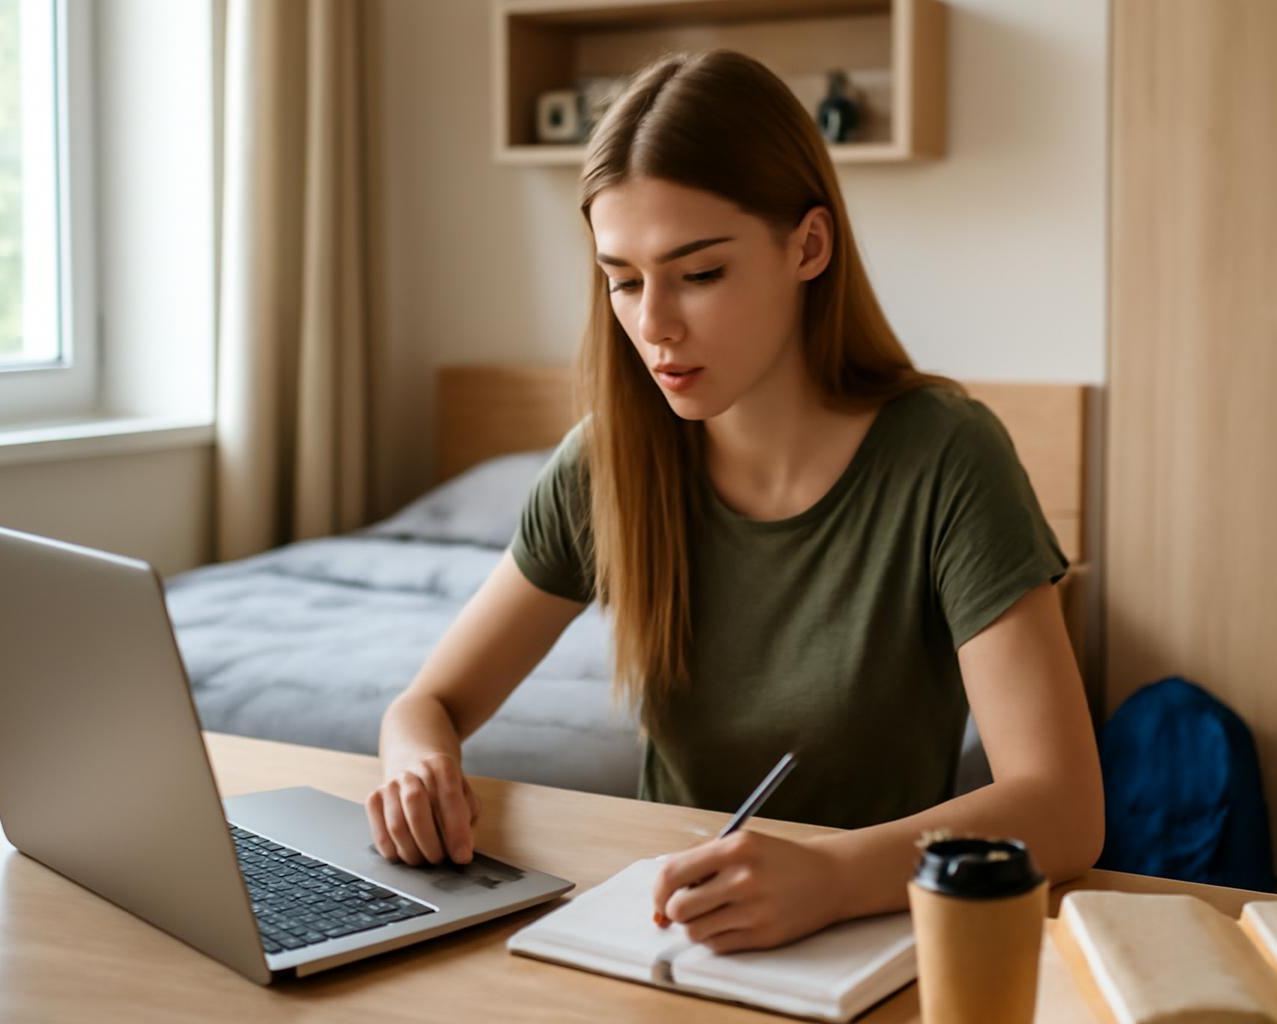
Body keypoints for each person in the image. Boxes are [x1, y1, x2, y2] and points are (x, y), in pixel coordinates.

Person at [369, 49, 1102, 954]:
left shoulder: (948, 457)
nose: (654, 326)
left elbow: (1065, 808)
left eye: (700, 273)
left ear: (809, 246)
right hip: (672, 940)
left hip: (873, 944)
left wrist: (832, 878)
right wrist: (417, 766)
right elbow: (425, 705)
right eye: (624, 279)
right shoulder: (606, 466)